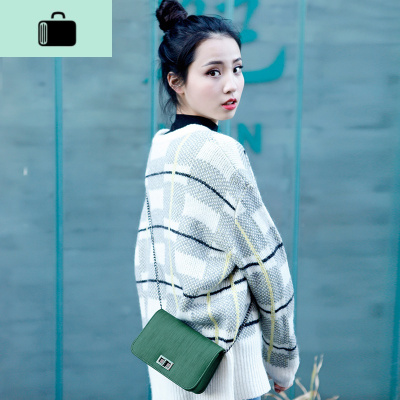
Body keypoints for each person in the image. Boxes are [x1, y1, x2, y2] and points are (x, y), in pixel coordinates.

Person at [134, 1, 300, 399]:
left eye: (237, 68)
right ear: (176, 81)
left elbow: (147, 261)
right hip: (226, 371)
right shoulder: (218, 152)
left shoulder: (162, 148)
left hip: (174, 359)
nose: (232, 85)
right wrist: (281, 359)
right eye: (213, 72)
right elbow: (268, 267)